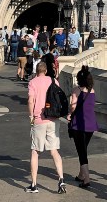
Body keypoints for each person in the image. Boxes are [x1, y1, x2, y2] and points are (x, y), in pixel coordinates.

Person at [25, 61, 65, 194]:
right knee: (54, 151)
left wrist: (31, 116)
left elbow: (31, 100)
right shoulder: (53, 81)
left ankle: (34, 184)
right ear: (46, 71)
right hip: (53, 119)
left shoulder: (33, 82)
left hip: (39, 119)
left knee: (35, 151)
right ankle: (61, 178)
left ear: (37, 71)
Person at [67, 66, 98, 188]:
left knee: (81, 152)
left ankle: (87, 179)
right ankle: (81, 174)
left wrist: (70, 112)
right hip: (91, 124)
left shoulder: (76, 90)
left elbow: (73, 107)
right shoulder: (92, 91)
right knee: (83, 148)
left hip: (78, 124)